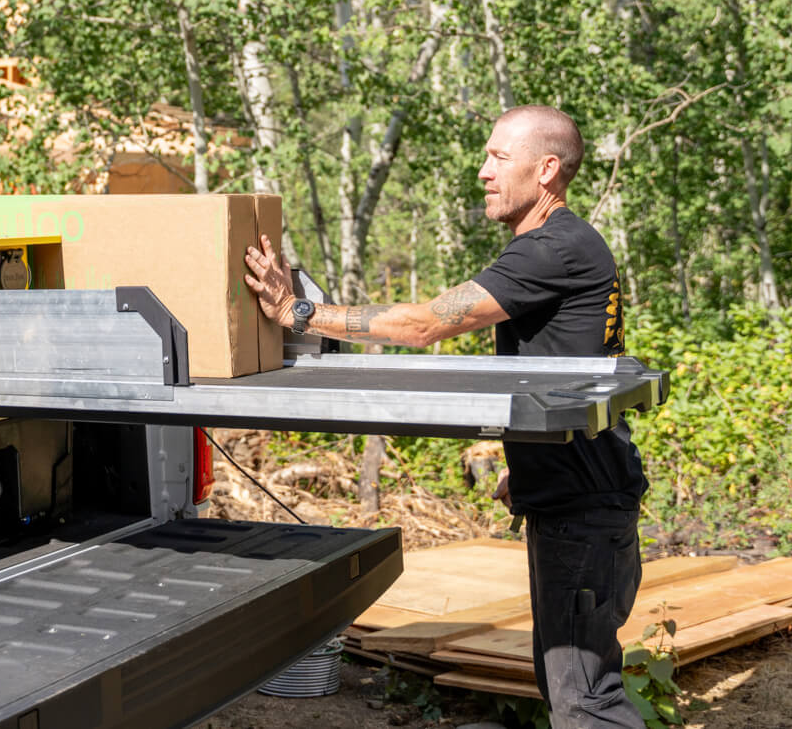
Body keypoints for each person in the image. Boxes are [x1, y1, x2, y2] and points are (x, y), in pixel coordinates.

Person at [243, 105, 648, 729]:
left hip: (584, 511)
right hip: (579, 496)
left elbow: (426, 323)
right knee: (570, 686)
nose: (483, 171)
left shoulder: (553, 249)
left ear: (545, 170)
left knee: (585, 701)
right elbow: (564, 366)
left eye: (498, 158)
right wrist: (532, 468)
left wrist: (299, 313)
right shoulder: (563, 247)